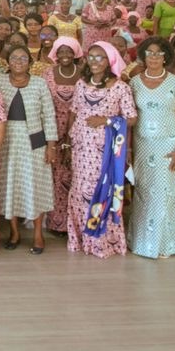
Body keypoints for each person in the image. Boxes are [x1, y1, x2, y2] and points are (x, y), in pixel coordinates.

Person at [65, 42, 137, 259]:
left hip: (104, 150)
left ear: (111, 61)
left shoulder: (120, 87)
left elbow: (131, 118)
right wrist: (68, 142)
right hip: (80, 147)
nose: (95, 62)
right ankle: (80, 239)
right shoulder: (81, 84)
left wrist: (105, 120)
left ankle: (101, 241)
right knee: (79, 190)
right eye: (92, 57)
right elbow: (73, 112)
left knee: (101, 189)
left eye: (101, 58)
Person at [127, 37, 175, 260]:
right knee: (144, 193)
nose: (154, 57)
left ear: (166, 57)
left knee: (165, 194)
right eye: (149, 53)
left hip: (168, 146)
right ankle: (141, 243)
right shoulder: (134, 82)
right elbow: (129, 117)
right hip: (143, 146)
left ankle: (164, 244)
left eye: (159, 53)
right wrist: (128, 151)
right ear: (143, 56)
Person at [0, 45, 56, 254]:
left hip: (34, 142)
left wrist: (51, 145)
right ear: (7, 62)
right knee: (10, 186)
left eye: (23, 58)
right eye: (14, 58)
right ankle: (14, 232)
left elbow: (48, 115)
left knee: (34, 186)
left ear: (30, 62)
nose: (19, 61)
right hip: (7, 142)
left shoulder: (39, 83)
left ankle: (38, 234)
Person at [42, 36, 82, 234]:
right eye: (61, 51)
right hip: (53, 129)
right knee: (55, 177)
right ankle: (56, 223)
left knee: (75, 175)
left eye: (69, 51)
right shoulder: (47, 73)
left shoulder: (83, 74)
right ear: (55, 54)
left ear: (75, 53)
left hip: (79, 131)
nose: (65, 55)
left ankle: (75, 222)